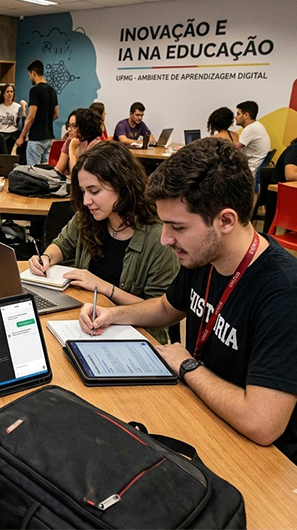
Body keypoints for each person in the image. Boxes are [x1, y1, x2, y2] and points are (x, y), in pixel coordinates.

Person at [79, 138, 297, 464]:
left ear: (225, 220)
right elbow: (167, 307)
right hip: (200, 408)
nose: (166, 239)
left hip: (257, 455)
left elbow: (261, 423)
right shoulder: (203, 254)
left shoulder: (283, 292)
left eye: (177, 227)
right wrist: (114, 315)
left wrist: (187, 365)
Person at [29, 141, 179, 343]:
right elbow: (61, 245)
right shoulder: (88, 218)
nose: (86, 201)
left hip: (136, 335)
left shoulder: (160, 238)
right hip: (88, 323)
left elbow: (161, 310)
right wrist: (46, 257)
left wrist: (105, 288)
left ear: (122, 185)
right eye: (83, 191)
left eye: (94, 191)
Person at [16, 60, 59, 165]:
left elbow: (31, 117)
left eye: (29, 75)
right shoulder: (52, 91)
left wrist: (21, 137)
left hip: (36, 139)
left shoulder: (35, 91)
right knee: (43, 171)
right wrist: (45, 120)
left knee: (33, 171)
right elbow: (56, 114)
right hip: (48, 138)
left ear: (33, 73)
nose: (29, 78)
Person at [55, 108, 103, 177]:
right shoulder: (70, 140)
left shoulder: (95, 144)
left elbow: (79, 177)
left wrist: (72, 151)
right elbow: (59, 169)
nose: (69, 129)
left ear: (85, 127)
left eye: (74, 126)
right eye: (69, 125)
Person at [235, 100, 271, 173]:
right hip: (255, 169)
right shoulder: (257, 126)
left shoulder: (251, 128)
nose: (235, 117)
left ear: (246, 115)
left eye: (238, 114)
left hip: (250, 173)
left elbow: (235, 148)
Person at [0, 83, 27, 154]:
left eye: (11, 92)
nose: (9, 94)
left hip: (12, 134)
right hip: (0, 133)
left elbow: (21, 124)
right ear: (3, 94)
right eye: (7, 91)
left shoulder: (18, 107)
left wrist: (23, 109)